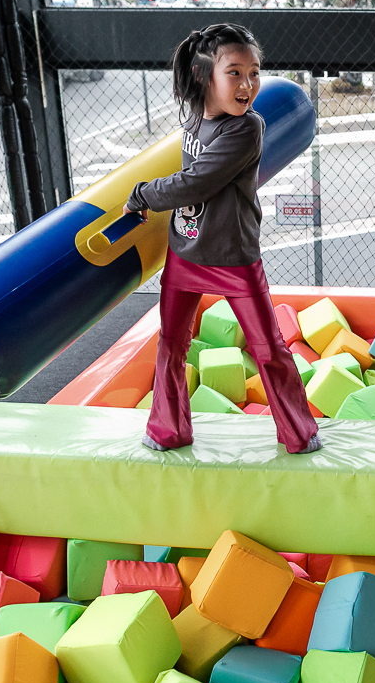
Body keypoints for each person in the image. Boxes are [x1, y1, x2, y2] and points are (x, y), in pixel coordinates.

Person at [124, 23, 321, 455]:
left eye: (254, 72)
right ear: (204, 76)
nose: (248, 84)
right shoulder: (196, 117)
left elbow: (195, 183)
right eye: (235, 72)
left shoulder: (247, 129)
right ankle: (168, 429)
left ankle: (299, 432)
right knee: (171, 344)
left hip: (234, 258)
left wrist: (141, 194)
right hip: (186, 250)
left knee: (268, 347)